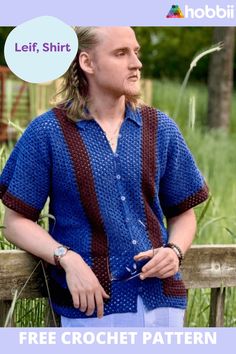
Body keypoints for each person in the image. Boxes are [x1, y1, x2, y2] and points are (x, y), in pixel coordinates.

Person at [0, 27, 208, 327]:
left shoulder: (160, 128)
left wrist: (174, 251)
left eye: (136, 52)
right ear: (87, 63)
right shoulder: (48, 132)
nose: (136, 63)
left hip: (162, 304)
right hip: (92, 308)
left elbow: (183, 214)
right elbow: (15, 223)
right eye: (121, 53)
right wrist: (67, 258)